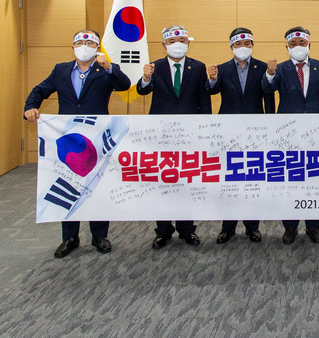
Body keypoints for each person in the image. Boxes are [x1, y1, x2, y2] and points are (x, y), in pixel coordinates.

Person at [24, 29, 131, 258]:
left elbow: (125, 85)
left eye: (90, 43)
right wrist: (31, 106)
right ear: (73, 47)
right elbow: (40, 90)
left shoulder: (105, 69)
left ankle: (99, 236)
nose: (85, 46)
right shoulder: (61, 70)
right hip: (69, 139)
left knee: (97, 184)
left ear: (97, 47)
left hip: (96, 136)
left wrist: (109, 67)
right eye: (80, 42)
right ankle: (70, 238)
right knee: (68, 182)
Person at [137, 25, 211, 250]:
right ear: (164, 45)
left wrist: (205, 129)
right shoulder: (155, 67)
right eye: (172, 41)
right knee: (163, 182)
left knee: (187, 182)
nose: (177, 44)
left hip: (189, 134)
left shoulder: (197, 67)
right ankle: (163, 230)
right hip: (161, 134)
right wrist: (145, 78)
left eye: (182, 40)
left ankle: (187, 229)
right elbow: (142, 90)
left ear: (188, 43)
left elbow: (204, 99)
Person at [262, 26, 319, 244]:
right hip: (288, 134)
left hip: (316, 132)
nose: (298, 47)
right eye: (293, 44)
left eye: (302, 43)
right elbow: (267, 90)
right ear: (287, 47)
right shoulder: (280, 69)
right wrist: (269, 74)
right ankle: (290, 226)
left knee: (315, 180)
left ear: (309, 45)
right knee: (289, 181)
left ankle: (313, 226)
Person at [206, 27, 275, 245]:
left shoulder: (262, 67)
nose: (243, 48)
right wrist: (212, 80)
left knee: (252, 180)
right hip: (229, 131)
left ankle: (252, 227)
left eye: (247, 44)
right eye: (238, 44)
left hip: (255, 132)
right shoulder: (222, 69)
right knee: (229, 180)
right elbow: (212, 91)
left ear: (252, 45)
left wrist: (270, 125)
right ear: (231, 46)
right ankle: (228, 227)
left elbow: (268, 97)